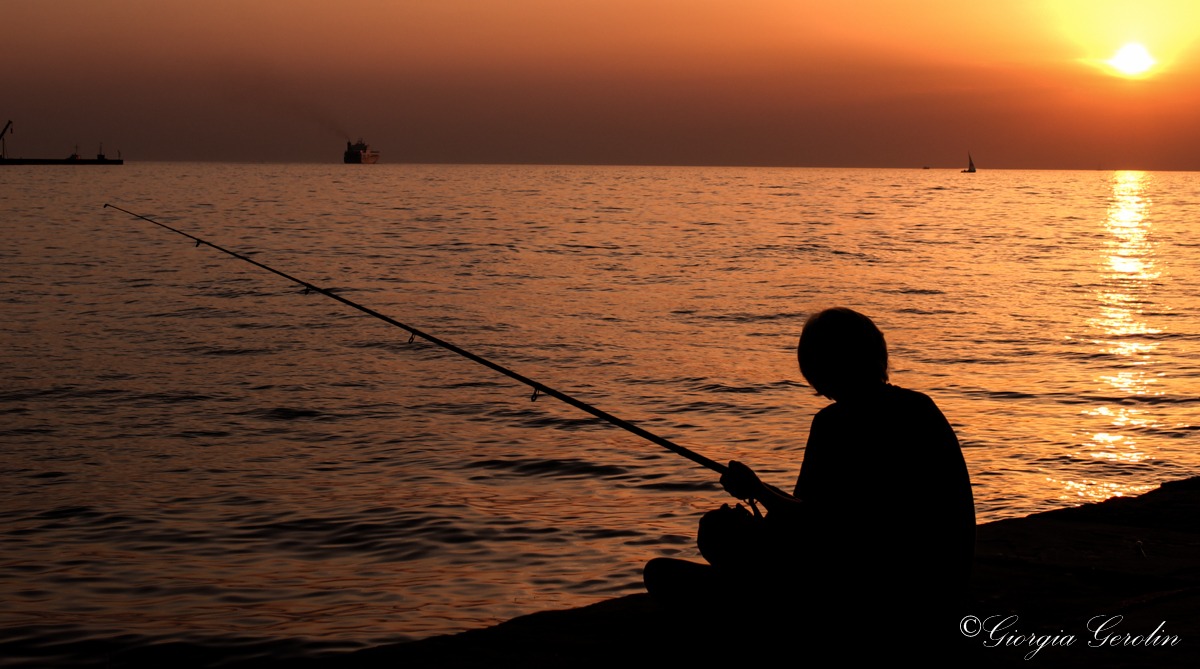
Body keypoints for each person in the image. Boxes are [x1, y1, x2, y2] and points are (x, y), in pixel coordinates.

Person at [644, 307, 975, 633]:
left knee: (684, 556)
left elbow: (817, 524)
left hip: (869, 591)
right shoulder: (920, 408)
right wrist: (760, 492)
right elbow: (828, 516)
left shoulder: (835, 424)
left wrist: (757, 491)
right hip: (942, 583)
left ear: (819, 366)